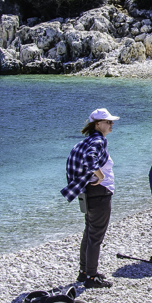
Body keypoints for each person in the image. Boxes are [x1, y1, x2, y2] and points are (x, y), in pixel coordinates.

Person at [60, 108, 119, 288]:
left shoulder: (87, 141)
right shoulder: (98, 140)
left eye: (111, 122)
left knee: (89, 232)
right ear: (97, 124)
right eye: (108, 122)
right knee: (96, 236)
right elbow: (90, 160)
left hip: (89, 193)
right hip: (100, 192)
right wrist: (100, 176)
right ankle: (92, 277)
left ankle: (84, 272)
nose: (111, 125)